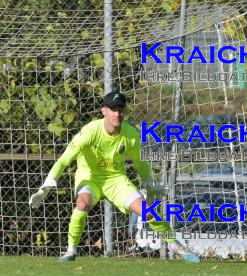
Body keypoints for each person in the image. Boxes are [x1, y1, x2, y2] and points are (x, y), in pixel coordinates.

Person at [29, 91, 199, 263]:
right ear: (104, 111)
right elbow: (65, 158)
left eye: (121, 109)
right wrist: (47, 183)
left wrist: (149, 182)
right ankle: (70, 250)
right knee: (82, 204)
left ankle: (176, 246)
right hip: (90, 178)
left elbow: (140, 162)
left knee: (147, 212)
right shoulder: (90, 131)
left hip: (116, 180)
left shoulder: (130, 133)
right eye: (113, 109)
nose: (117, 114)